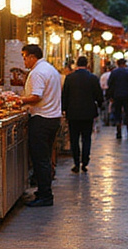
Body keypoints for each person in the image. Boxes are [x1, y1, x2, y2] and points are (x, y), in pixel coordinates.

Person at [18, 43, 62, 207]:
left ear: (31, 56)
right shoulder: (50, 69)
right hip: (52, 118)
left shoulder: (38, 72)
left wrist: (18, 100)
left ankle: (45, 196)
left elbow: (36, 96)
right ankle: (42, 191)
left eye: (24, 57)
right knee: (44, 157)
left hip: (42, 119)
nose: (24, 62)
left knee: (40, 159)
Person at [60, 55, 104, 171]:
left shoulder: (69, 78)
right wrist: (99, 106)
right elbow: (99, 96)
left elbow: (65, 95)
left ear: (77, 65)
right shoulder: (93, 78)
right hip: (88, 113)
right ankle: (85, 161)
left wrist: (64, 110)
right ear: (87, 65)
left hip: (73, 113)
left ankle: (76, 162)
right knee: (86, 138)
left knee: (74, 138)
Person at [107, 57, 128, 140]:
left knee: (118, 113)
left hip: (117, 96)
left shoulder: (114, 73)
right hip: (127, 96)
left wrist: (111, 96)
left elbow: (110, 84)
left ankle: (118, 130)